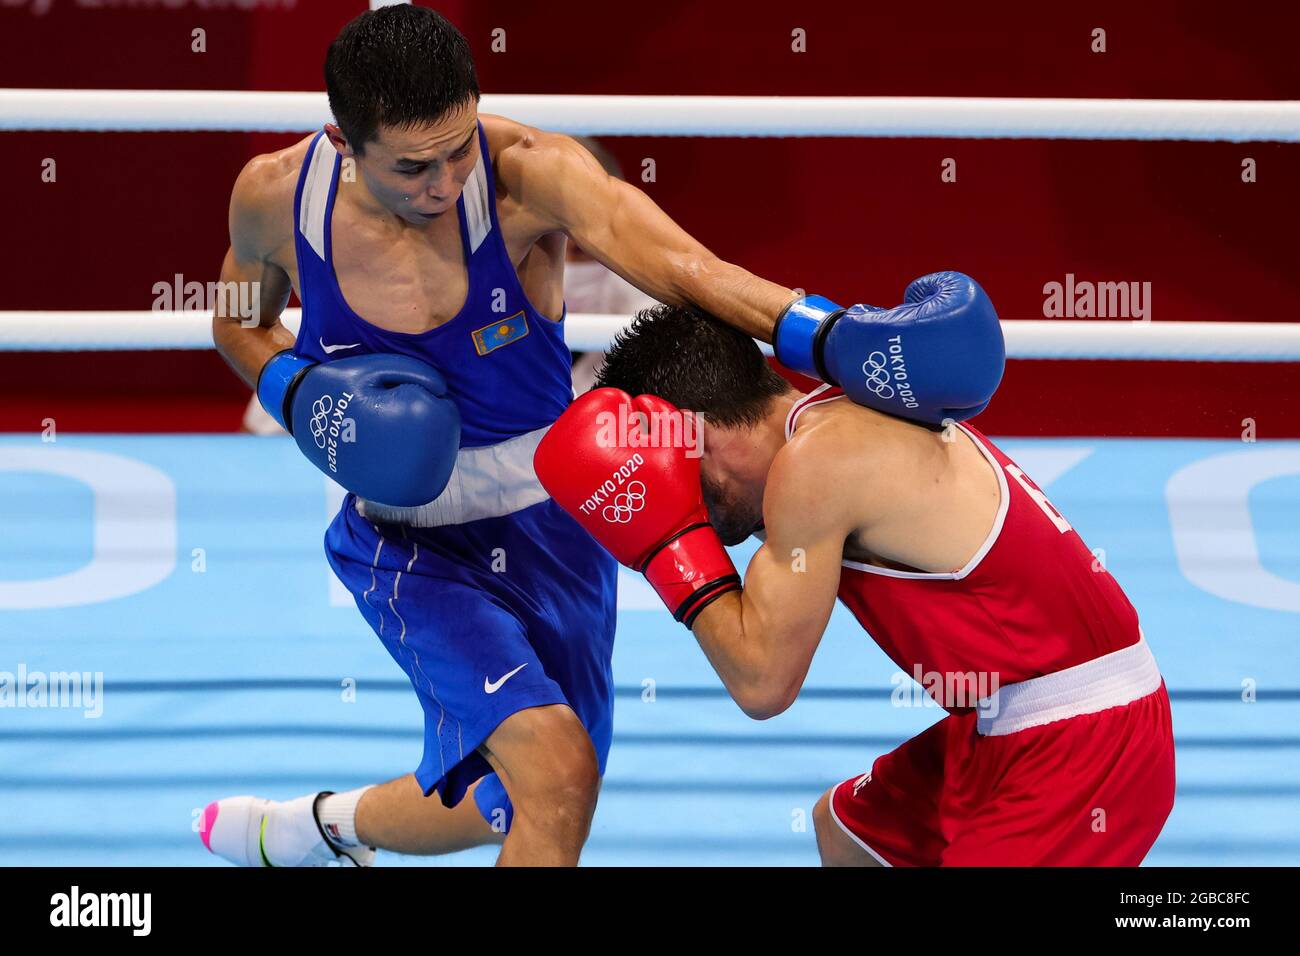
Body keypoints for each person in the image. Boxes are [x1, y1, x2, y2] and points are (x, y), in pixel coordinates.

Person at [203, 5, 1002, 867]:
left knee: (538, 797)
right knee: (554, 768)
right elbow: (239, 319)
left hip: (555, 521)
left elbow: (677, 263)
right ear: (343, 141)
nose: (443, 184)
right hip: (403, 538)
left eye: (457, 148)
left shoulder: (525, 175)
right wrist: (299, 392)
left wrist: (821, 332)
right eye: (412, 167)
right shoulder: (277, 196)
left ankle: (314, 828)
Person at [535, 301, 1176, 866]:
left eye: (683, 478)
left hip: (1084, 742)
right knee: (849, 834)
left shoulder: (816, 467)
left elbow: (762, 683)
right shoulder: (829, 413)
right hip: (1008, 721)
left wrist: (667, 545)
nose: (693, 504)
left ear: (694, 433)